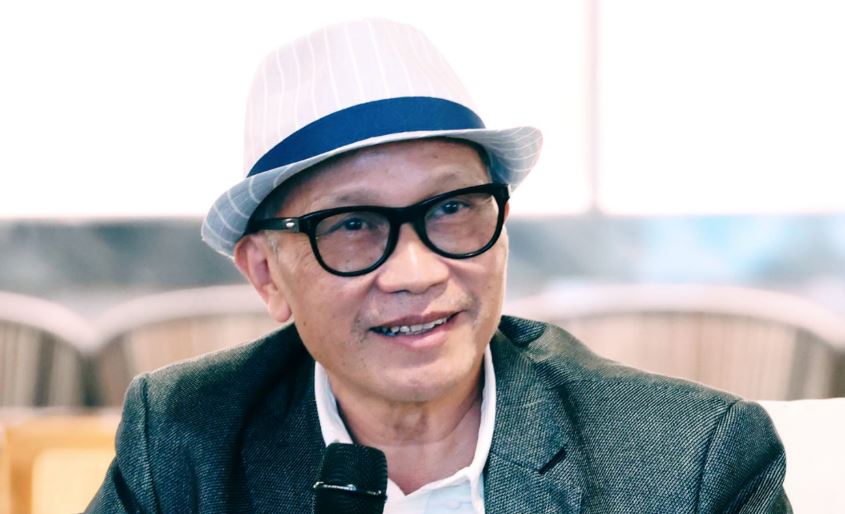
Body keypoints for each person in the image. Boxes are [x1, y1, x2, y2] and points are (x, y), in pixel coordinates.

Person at [87, 18, 790, 513]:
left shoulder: (689, 461)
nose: (416, 272)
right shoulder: (184, 440)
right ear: (267, 275)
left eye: (451, 208)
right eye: (353, 225)